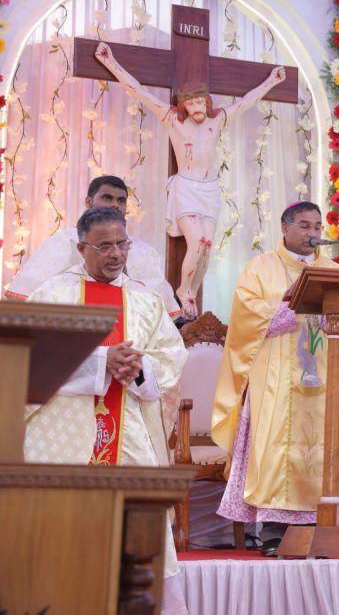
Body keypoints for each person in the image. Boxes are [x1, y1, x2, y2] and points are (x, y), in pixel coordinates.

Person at [23, 206, 188, 613]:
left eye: (122, 244)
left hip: (129, 431)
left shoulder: (146, 301)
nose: (116, 254)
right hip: (66, 439)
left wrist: (138, 368)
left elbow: (169, 361)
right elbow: (30, 363)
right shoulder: (53, 295)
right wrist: (101, 362)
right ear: (82, 248)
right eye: (104, 246)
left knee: (141, 528)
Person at [95, 41, 287, 319]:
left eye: (201, 101)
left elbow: (248, 101)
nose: (197, 106)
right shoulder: (173, 119)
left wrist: (271, 81)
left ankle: (192, 292)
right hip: (186, 187)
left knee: (207, 244)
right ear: (183, 103)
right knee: (197, 241)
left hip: (210, 189)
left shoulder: (217, 120)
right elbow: (137, 90)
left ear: (207, 103)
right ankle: (184, 289)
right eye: (191, 101)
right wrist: (109, 62)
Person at [211, 202, 339, 556]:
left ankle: (318, 530)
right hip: (276, 377)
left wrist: (338, 316)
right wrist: (290, 307)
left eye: (317, 226)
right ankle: (274, 532)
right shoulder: (260, 268)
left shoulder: (333, 271)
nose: (313, 233)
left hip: (323, 379)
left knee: (320, 446)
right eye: (304, 225)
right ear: (285, 228)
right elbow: (246, 313)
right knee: (276, 445)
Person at [4, 175, 181, 319]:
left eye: (121, 200)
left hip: (133, 335)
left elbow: (164, 311)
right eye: (107, 198)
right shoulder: (64, 240)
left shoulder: (145, 251)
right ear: (88, 202)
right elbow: (23, 297)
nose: (115, 204)